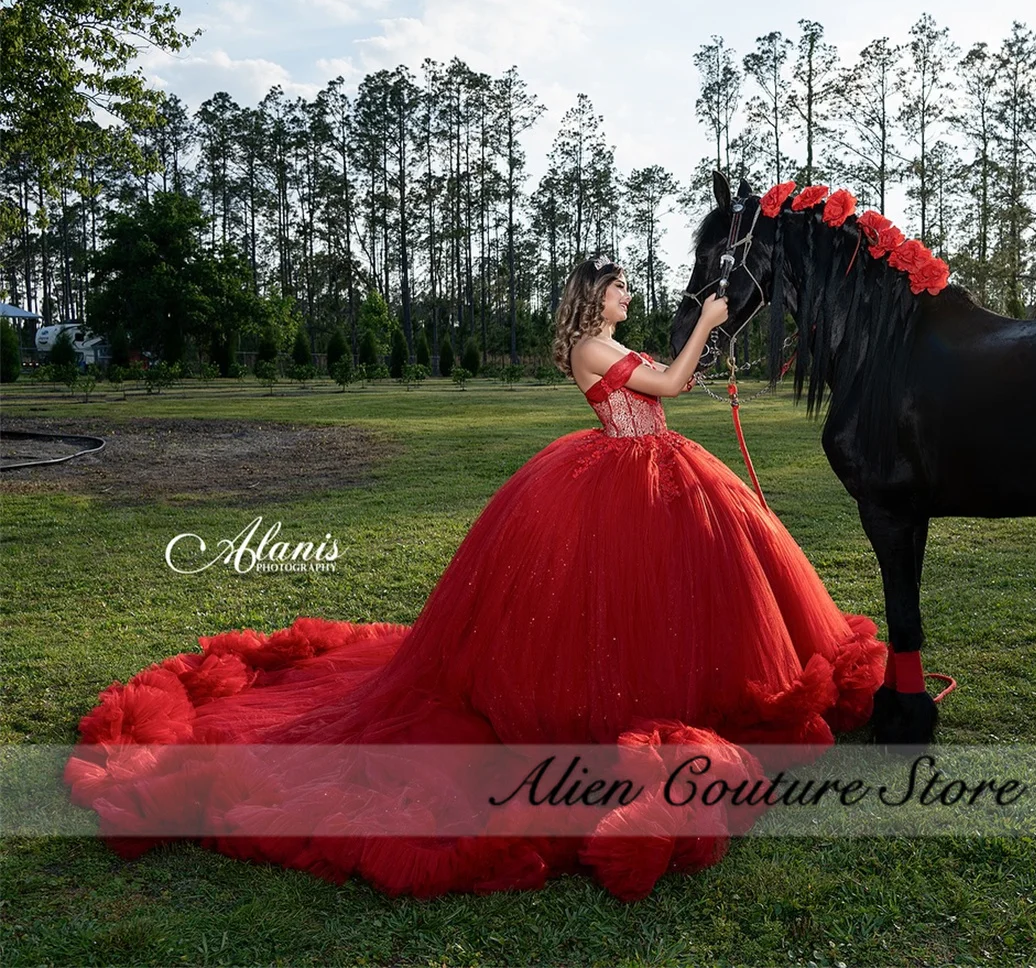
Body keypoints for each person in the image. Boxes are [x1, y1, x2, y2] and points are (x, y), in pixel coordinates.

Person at [65, 257, 885, 901]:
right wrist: (707, 323)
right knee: (624, 602)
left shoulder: (594, 344)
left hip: (652, 461)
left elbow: (661, 393)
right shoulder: (592, 345)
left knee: (695, 590)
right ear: (594, 298)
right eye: (620, 288)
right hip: (630, 474)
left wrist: (691, 357)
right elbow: (665, 385)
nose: (630, 296)